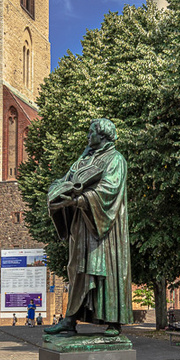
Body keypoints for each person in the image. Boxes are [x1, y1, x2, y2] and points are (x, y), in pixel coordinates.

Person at [45, 118, 132, 337]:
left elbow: (109, 190)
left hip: (104, 228)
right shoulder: (83, 160)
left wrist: (76, 201)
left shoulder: (116, 159)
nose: (87, 136)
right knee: (76, 269)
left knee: (105, 271)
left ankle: (114, 321)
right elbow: (66, 179)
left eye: (91, 132)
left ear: (102, 135)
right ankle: (69, 320)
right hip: (81, 224)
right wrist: (56, 191)